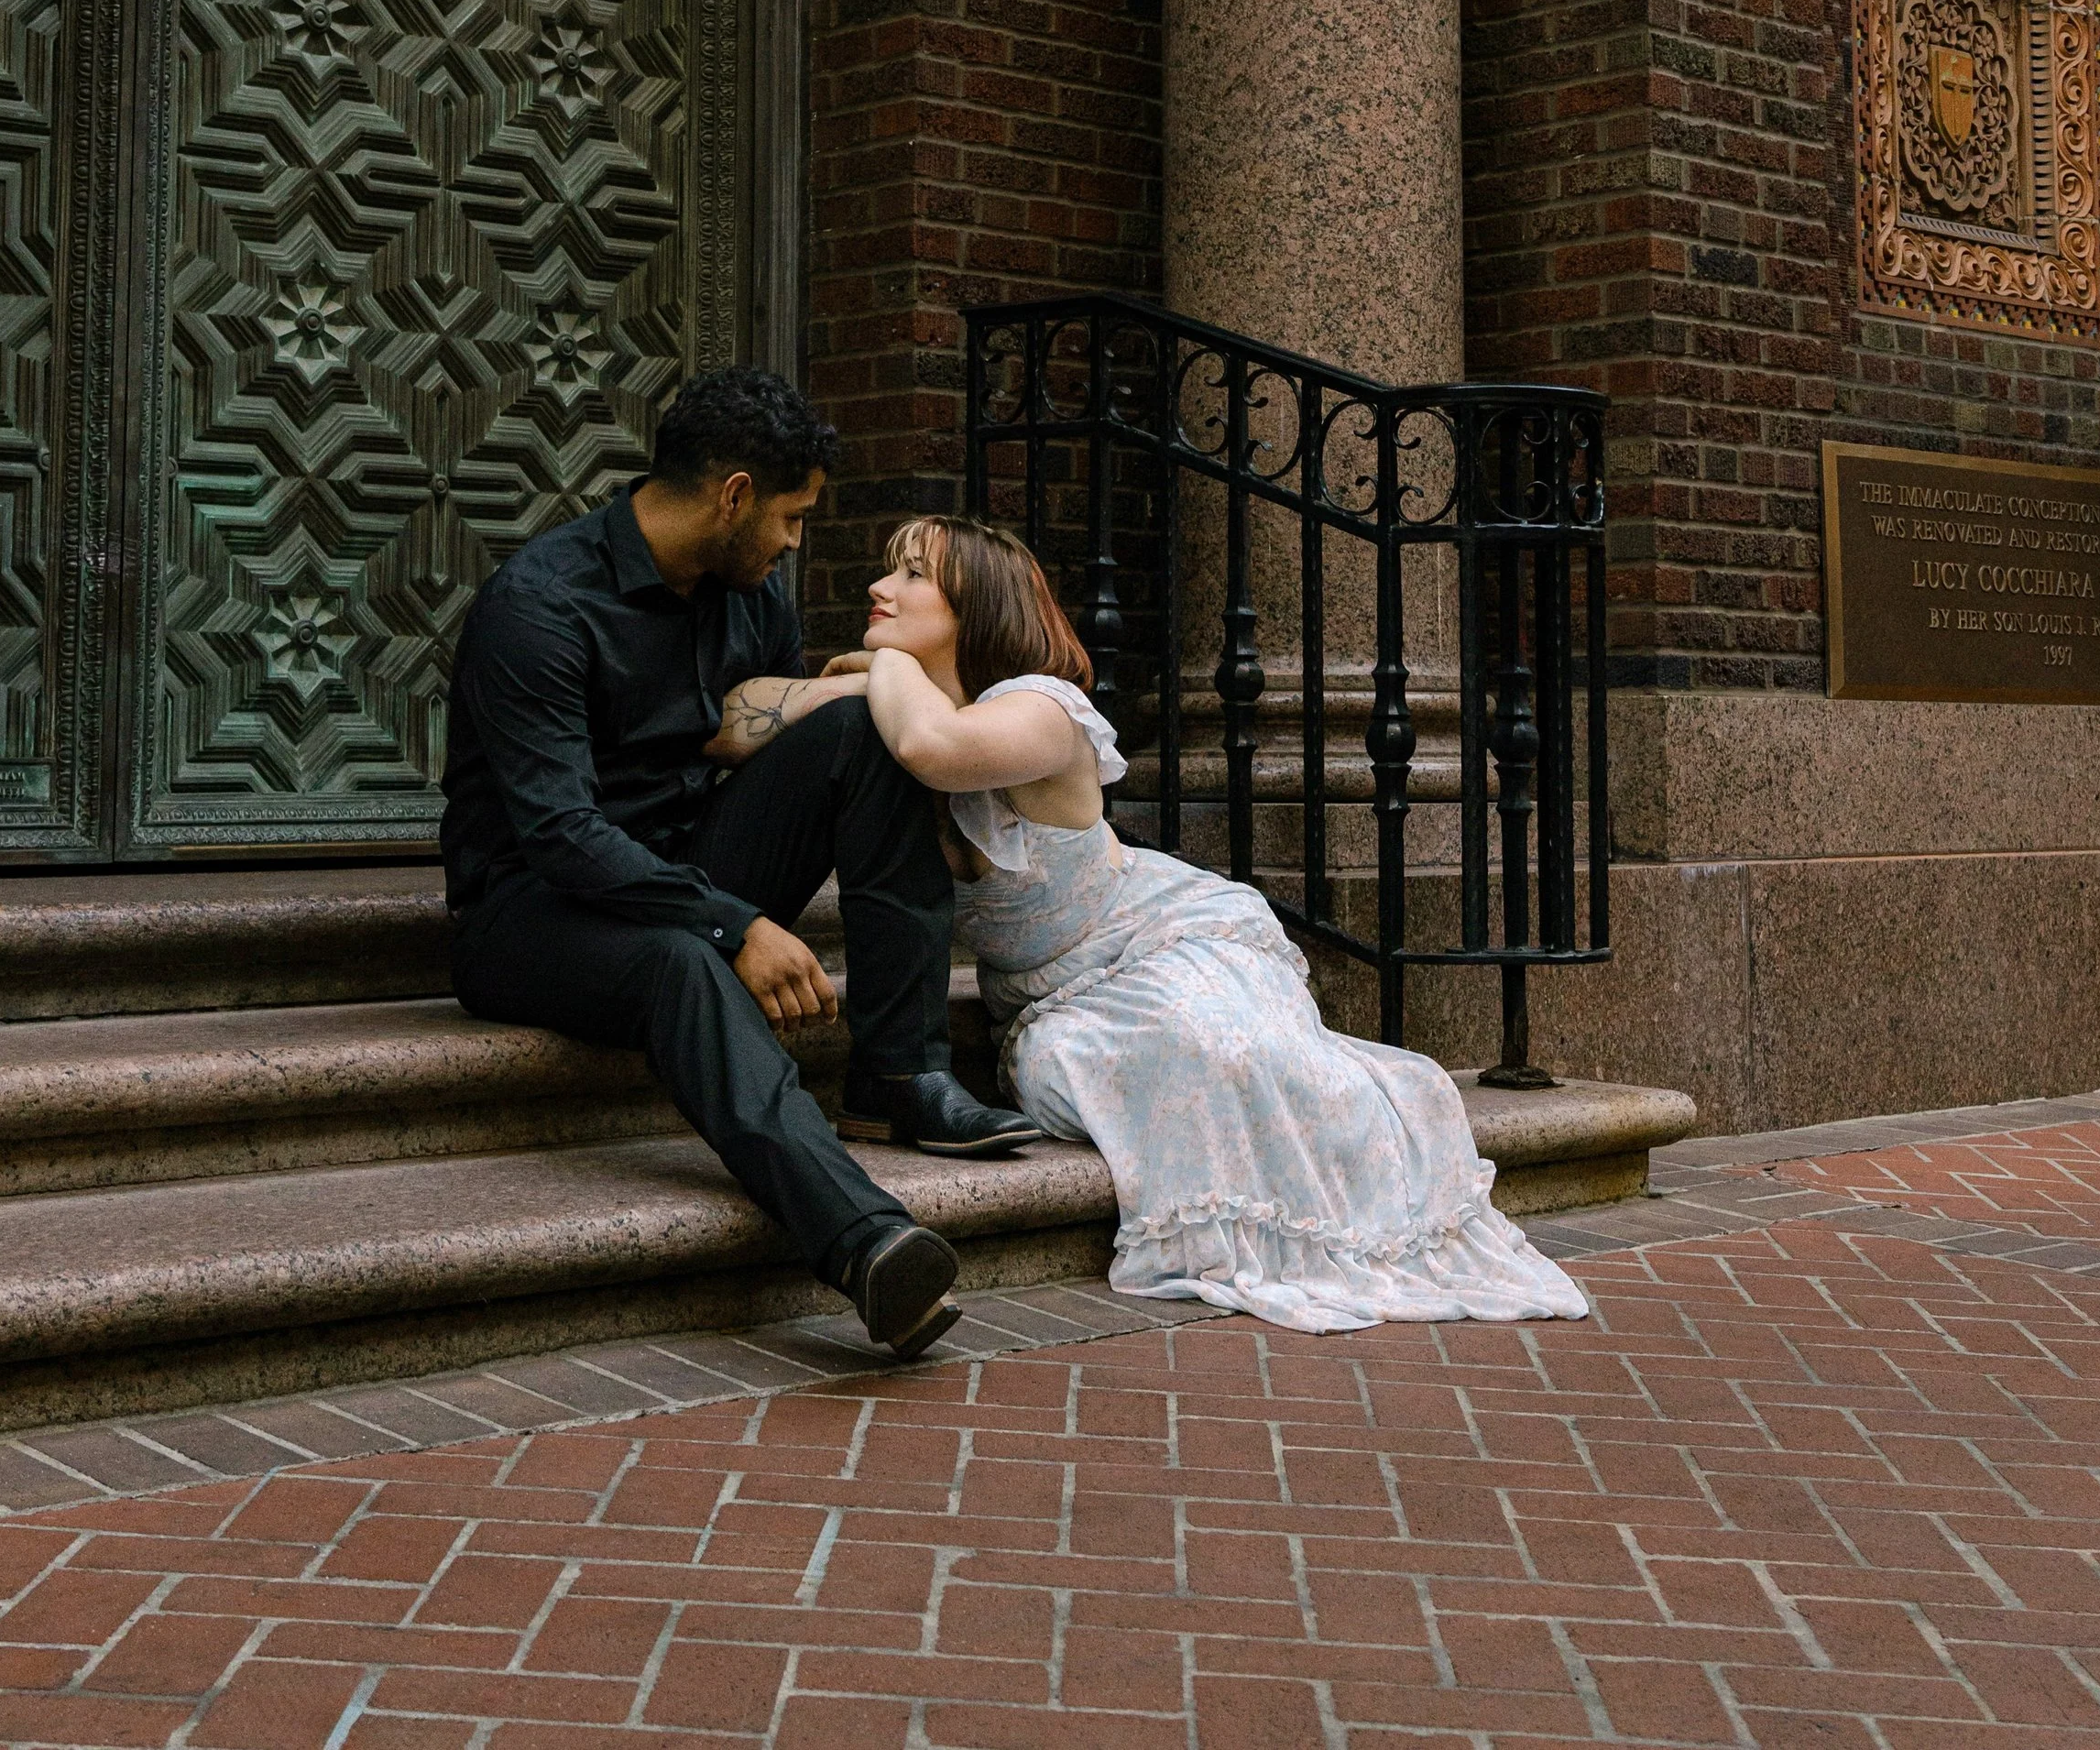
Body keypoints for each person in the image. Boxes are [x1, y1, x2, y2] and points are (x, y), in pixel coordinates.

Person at [815, 512, 1591, 1333]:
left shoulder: (1042, 710)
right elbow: (747, 707)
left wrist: (884, 663)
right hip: (1051, 999)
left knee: (1219, 1048)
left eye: (911, 574)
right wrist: (866, 679)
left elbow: (929, 743)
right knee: (1066, 1069)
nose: (880, 587)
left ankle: (1346, 1173)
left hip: (1162, 938)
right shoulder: (902, 704)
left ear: (975, 606)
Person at [439, 368, 1040, 1365]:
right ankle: (865, 1240)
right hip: (532, 909)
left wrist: (855, 695)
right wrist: (733, 922)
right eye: (792, 516)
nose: (796, 541)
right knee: (682, 959)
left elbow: (768, 739)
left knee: (863, 733)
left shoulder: (747, 595)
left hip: (686, 863)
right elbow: (561, 834)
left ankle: (900, 1071)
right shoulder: (539, 605)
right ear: (733, 495)